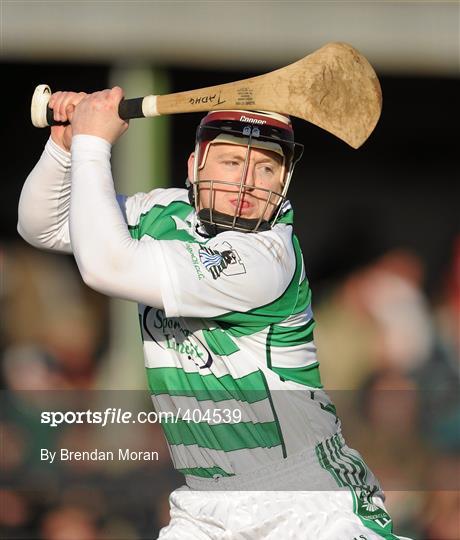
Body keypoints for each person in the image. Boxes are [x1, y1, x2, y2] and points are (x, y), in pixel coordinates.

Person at [18, 87, 411, 539]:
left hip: (306, 503)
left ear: (284, 183)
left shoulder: (266, 257)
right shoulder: (162, 212)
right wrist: (64, 147)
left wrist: (94, 142)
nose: (246, 182)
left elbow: (105, 266)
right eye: (231, 162)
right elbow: (41, 225)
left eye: (266, 167)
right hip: (205, 504)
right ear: (194, 166)